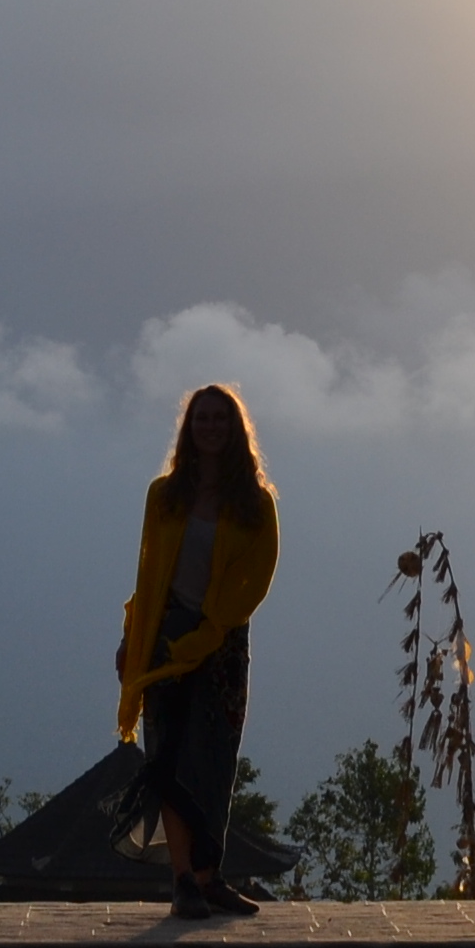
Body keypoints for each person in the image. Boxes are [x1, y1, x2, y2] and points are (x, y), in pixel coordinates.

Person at [114, 379, 277, 917]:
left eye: (219, 419)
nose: (209, 426)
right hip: (163, 636)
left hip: (223, 643)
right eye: (201, 418)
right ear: (188, 429)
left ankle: (211, 876)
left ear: (235, 430)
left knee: (215, 758)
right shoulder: (164, 496)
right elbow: (148, 573)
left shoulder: (255, 506)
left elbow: (253, 581)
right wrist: (132, 641)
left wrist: (209, 632)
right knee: (169, 756)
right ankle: (183, 878)